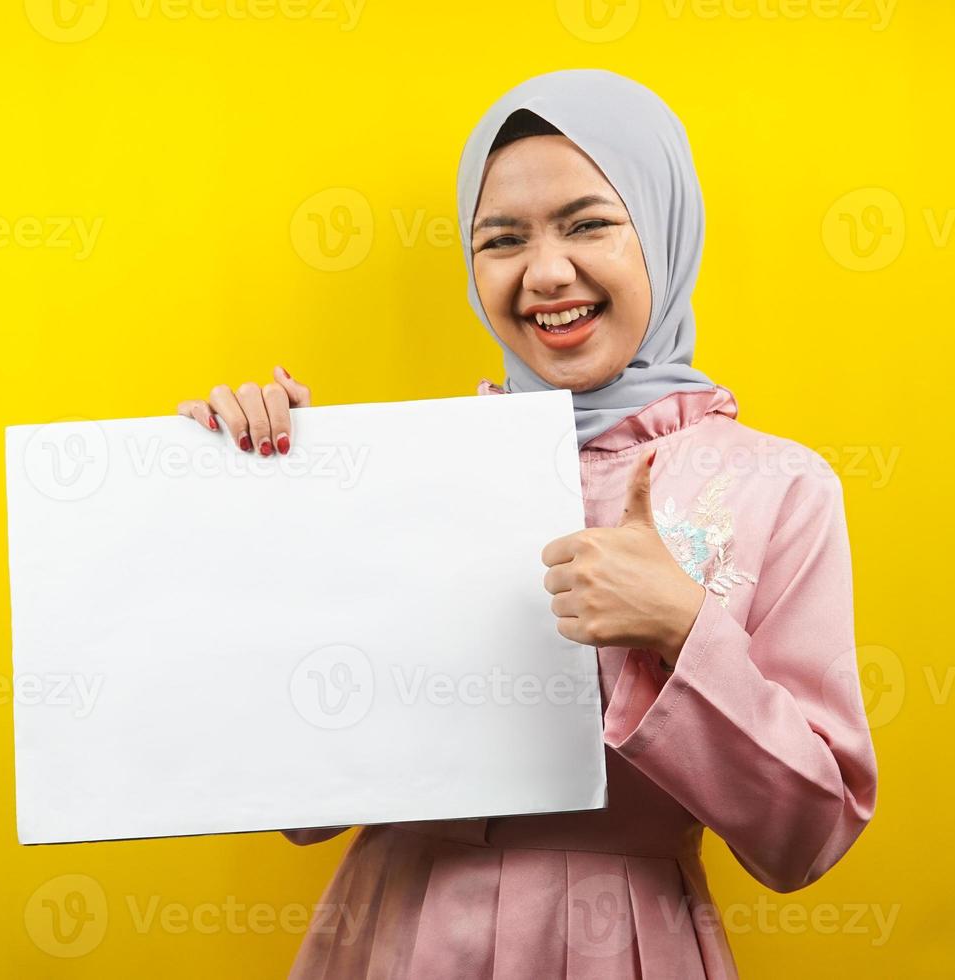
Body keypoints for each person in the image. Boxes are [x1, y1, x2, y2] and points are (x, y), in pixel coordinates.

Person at [176, 68, 878, 979]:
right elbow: (296, 809)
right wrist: (251, 511)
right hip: (394, 937)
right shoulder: (392, 471)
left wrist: (684, 628)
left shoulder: (778, 486)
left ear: (664, 232)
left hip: (620, 946)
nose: (547, 273)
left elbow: (806, 837)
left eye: (589, 224)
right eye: (502, 238)